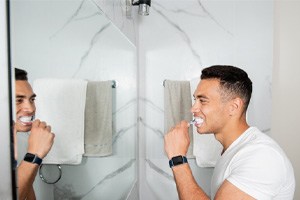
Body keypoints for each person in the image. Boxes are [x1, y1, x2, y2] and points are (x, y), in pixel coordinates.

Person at [164, 65, 295, 199]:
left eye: (202, 101)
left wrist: (177, 158)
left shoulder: (262, 157)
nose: (193, 108)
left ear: (234, 107)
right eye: (195, 100)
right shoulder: (232, 150)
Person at [14, 68, 55, 200]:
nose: (31, 109)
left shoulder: (18, 141)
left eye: (31, 99)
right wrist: (34, 154)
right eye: (18, 100)